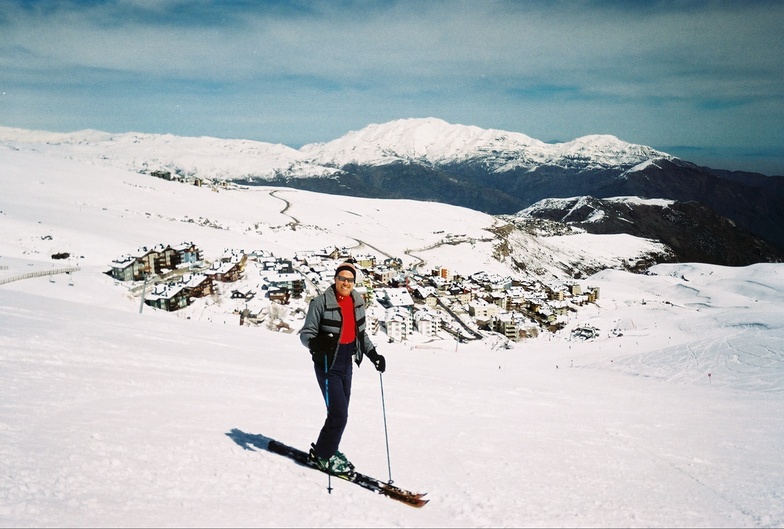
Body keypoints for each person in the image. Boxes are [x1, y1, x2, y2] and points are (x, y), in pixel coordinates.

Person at [299, 261, 386, 474]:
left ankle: (328, 449)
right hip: (328, 364)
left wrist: (373, 354)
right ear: (335, 279)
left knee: (340, 412)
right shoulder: (320, 303)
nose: (345, 283)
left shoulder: (357, 302)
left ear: (353, 282)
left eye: (349, 280)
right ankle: (322, 456)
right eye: (342, 278)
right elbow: (306, 334)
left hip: (347, 363)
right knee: (339, 414)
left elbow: (361, 335)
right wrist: (316, 344)